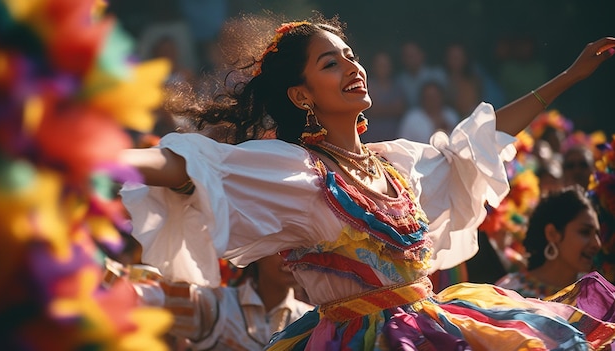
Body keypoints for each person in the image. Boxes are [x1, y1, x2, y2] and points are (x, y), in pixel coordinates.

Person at [118, 13, 615, 350]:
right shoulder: (296, 171)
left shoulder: (398, 164)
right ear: (301, 94)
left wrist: (570, 76)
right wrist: (95, 153)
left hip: (434, 327)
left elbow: (477, 143)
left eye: (351, 56)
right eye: (330, 63)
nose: (353, 67)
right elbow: (196, 167)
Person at [131, 254, 313, 350]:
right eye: (281, 249)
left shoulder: (315, 321)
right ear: (256, 253)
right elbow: (144, 294)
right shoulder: (216, 302)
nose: (290, 259)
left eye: (301, 249)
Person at [496, 185, 602, 298]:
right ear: (552, 234)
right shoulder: (509, 292)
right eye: (585, 232)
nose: (597, 244)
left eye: (597, 234)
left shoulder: (595, 299)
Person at [362, 51, 407, 142]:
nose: (383, 68)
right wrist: (391, 108)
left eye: (385, 65)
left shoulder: (397, 86)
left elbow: (400, 110)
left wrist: (379, 108)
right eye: (380, 65)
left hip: (394, 134)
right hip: (372, 134)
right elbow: (371, 111)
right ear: (373, 66)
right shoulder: (367, 85)